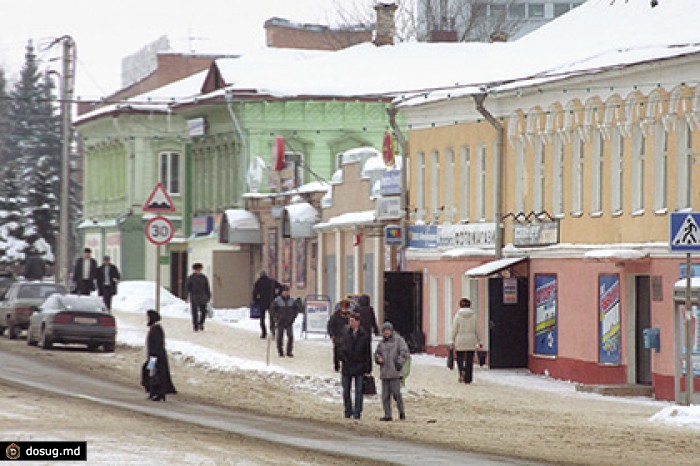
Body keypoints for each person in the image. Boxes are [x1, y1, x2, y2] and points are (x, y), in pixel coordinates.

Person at [339, 312, 372, 420]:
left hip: (359, 366)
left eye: (353, 321)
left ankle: (357, 412)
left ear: (358, 322)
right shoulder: (345, 332)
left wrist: (368, 367)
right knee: (346, 390)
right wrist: (340, 359)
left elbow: (367, 352)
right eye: (350, 321)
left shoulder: (364, 335)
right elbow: (339, 347)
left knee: (359, 391)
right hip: (347, 365)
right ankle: (347, 411)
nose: (351, 323)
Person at [375, 321, 409, 421]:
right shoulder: (381, 343)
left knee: (396, 394)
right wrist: (378, 359)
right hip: (385, 372)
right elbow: (377, 353)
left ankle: (401, 412)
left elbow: (404, 352)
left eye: (388, 330)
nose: (386, 332)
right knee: (385, 396)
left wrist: (399, 363)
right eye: (385, 331)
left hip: (395, 372)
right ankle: (387, 414)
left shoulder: (398, 340)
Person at [141, 310, 177, 401]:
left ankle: (158, 393)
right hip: (154, 356)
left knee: (154, 373)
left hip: (155, 356)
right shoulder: (155, 328)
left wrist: (154, 357)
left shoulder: (156, 329)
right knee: (151, 372)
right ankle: (154, 392)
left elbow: (157, 344)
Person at [450, 297, 481, 384]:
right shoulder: (473, 316)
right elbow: (477, 329)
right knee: (469, 359)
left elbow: (454, 329)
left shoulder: (457, 316)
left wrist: (452, 340)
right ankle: (468, 378)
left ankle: (461, 371)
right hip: (471, 340)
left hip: (460, 339)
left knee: (460, 357)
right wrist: (480, 340)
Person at [252, 270, 282, 339]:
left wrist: (256, 301)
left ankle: (264, 333)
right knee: (271, 318)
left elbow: (254, 293)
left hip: (262, 302)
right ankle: (273, 332)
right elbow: (281, 287)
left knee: (262, 318)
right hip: (271, 302)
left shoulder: (258, 283)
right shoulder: (272, 281)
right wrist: (277, 295)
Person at [271, 286, 299, 357]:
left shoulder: (292, 301)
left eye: (287, 291)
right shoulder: (277, 301)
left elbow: (296, 310)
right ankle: (280, 351)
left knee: (290, 337)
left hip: (289, 321)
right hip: (280, 321)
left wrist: (293, 317)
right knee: (280, 337)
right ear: (282, 292)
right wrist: (277, 318)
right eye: (284, 291)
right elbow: (272, 310)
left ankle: (289, 351)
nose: (286, 293)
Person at [184, 263, 211, 332]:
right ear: (194, 270)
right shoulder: (191, 278)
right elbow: (187, 288)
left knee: (204, 311)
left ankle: (201, 323)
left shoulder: (204, 277)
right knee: (194, 312)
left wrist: (208, 296)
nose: (198, 271)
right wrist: (186, 296)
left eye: (199, 269)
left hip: (203, 296)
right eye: (197, 270)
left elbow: (207, 287)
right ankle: (195, 325)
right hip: (194, 296)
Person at [327, 299, 351, 371]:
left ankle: (345, 365)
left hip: (347, 337)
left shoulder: (350, 316)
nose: (344, 309)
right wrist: (332, 335)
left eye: (346, 308)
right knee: (337, 351)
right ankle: (337, 365)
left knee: (347, 351)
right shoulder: (335, 315)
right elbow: (330, 325)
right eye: (343, 307)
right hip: (338, 336)